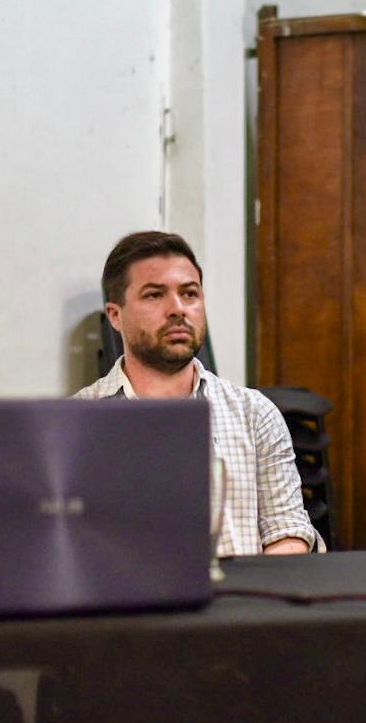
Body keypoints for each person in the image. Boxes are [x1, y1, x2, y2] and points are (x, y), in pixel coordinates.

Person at [73, 231, 320, 554]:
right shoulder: (75, 422)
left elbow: (288, 531)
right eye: (154, 295)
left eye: (189, 294)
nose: (177, 309)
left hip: (243, 599)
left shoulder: (253, 412)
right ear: (115, 316)